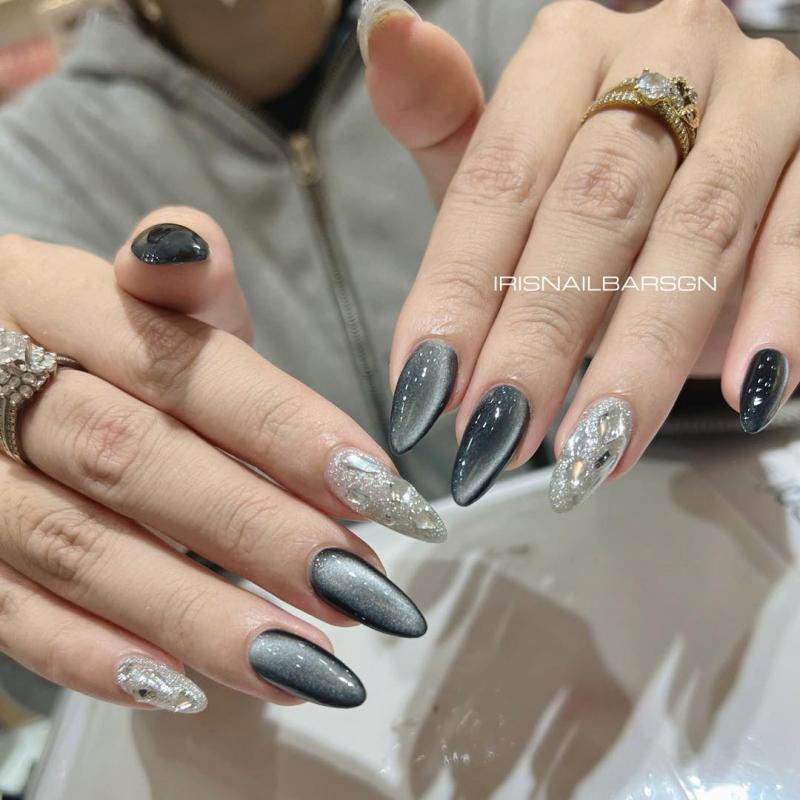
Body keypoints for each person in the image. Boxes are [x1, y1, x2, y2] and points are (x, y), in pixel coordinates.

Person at [0, 0, 797, 713]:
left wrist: (712, 328)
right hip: (311, 747)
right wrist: (130, 544)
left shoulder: (526, 28)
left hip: (673, 665)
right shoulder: (25, 172)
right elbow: (49, 690)